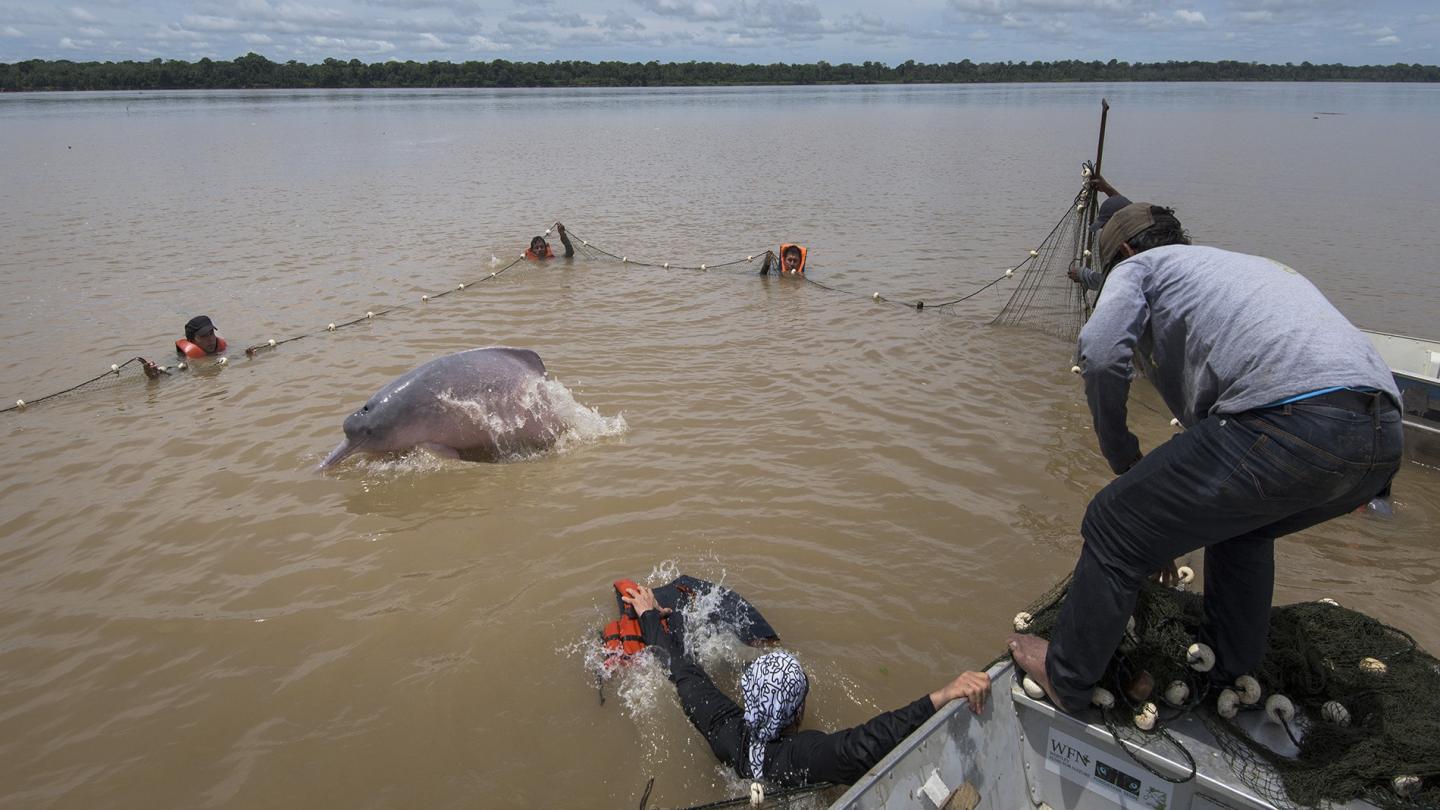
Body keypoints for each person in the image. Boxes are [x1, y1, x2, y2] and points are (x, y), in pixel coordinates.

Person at [1008, 203, 1403, 713]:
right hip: (1381, 438)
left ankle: (1068, 675)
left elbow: (1102, 355)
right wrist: (1163, 519)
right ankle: (1229, 671)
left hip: (1292, 418)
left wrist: (1123, 459)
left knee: (1111, 522)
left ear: (1123, 253)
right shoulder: (1235, 267)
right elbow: (1216, 472)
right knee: (1245, 528)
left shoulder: (1137, 269)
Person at [623, 584, 991, 787]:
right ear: (798, 711)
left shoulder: (721, 727)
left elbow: (681, 670)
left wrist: (649, 615)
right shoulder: (804, 757)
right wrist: (943, 695)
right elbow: (872, 740)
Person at [1067, 174, 1131, 291]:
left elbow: (1116, 282)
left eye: (1106, 226)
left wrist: (1084, 275)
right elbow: (1127, 208)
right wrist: (1107, 189)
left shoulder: (1134, 247)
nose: (1106, 230)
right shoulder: (1142, 222)